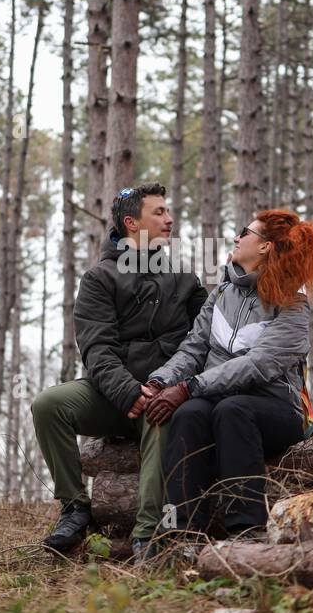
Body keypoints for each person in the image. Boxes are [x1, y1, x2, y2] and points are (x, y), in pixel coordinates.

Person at [31, 184, 207, 560]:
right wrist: (127, 391)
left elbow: (206, 338)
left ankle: (148, 534)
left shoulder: (185, 279)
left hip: (165, 393)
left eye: (168, 211)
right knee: (49, 404)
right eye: (158, 212)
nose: (169, 219)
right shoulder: (99, 278)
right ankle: (76, 509)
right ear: (131, 223)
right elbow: (96, 348)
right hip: (114, 396)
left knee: (160, 417)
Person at [143, 209, 313, 545]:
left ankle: (246, 531)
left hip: (278, 408)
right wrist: (160, 382)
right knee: (190, 414)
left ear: (266, 247)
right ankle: (182, 534)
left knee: (232, 410)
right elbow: (192, 350)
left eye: (245, 232)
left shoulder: (293, 305)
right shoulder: (222, 294)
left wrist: (191, 386)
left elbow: (258, 365)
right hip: (216, 399)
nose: (237, 238)